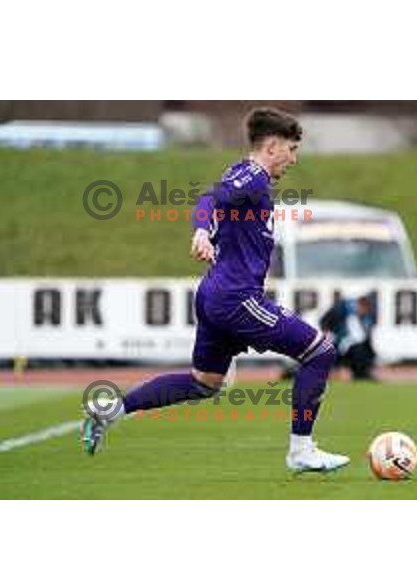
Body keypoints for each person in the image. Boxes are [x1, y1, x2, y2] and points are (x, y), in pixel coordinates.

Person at [81, 107, 350, 473]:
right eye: (291, 148)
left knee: (204, 383)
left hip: (213, 294)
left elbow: (212, 196)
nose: (294, 158)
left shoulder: (242, 171)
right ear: (272, 146)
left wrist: (204, 229)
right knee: (320, 352)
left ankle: (112, 411)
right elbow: (212, 200)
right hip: (236, 298)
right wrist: (201, 231)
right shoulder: (253, 178)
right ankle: (301, 450)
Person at [320, 295, 377, 380]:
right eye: (364, 309)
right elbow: (325, 320)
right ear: (359, 305)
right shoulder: (343, 309)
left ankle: (360, 375)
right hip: (340, 342)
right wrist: (327, 333)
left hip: (353, 347)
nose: (365, 312)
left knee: (363, 353)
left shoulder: (365, 318)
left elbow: (365, 337)